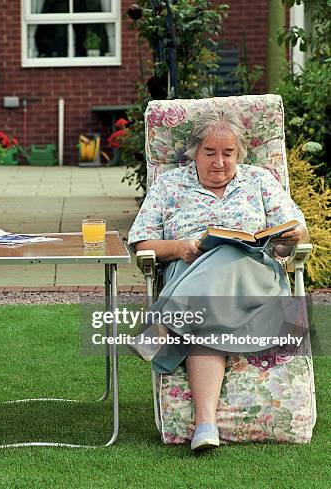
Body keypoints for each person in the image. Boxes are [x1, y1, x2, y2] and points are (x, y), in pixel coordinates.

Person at [127, 109, 309, 452]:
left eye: (228, 153)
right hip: (193, 275)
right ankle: (205, 426)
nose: (220, 162)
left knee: (231, 252)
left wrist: (284, 238)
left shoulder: (259, 181)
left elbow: (296, 229)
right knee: (209, 310)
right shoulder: (170, 184)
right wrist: (181, 247)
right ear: (194, 151)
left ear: (239, 154)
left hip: (256, 283)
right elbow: (142, 242)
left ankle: (164, 327)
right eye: (210, 152)